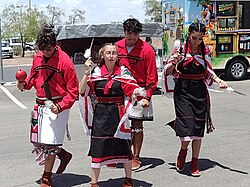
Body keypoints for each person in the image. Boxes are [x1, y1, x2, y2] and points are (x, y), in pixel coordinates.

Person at [17, 24, 79, 187]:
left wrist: (60, 106)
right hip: (40, 105)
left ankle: (46, 177)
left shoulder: (65, 61)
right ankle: (63, 155)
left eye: (49, 49)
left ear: (55, 44)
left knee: (50, 143)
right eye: (43, 49)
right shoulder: (37, 57)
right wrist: (24, 84)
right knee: (37, 141)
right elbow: (33, 78)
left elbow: (73, 91)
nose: (46, 52)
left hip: (58, 105)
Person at [164, 22, 228, 177]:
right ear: (189, 35)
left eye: (200, 38)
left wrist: (220, 81)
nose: (196, 41)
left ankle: (194, 163)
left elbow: (208, 70)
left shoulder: (205, 50)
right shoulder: (180, 49)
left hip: (199, 91)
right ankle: (183, 152)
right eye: (194, 37)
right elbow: (168, 72)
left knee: (198, 129)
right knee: (187, 126)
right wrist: (175, 61)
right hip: (183, 91)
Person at [79, 43, 141, 187]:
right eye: (108, 53)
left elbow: (132, 90)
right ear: (103, 55)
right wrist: (86, 72)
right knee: (98, 147)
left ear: (117, 55)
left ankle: (128, 180)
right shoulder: (95, 72)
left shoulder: (124, 72)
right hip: (100, 116)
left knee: (124, 148)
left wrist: (137, 94)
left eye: (114, 53)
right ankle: (94, 183)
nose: (111, 55)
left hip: (118, 115)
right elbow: (82, 91)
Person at [116, 18, 158, 170]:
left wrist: (147, 96)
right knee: (119, 125)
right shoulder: (117, 47)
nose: (131, 37)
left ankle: (136, 156)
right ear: (124, 32)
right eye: (129, 33)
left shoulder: (146, 50)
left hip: (139, 91)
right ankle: (121, 154)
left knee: (137, 125)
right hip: (120, 91)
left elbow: (152, 76)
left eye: (135, 34)